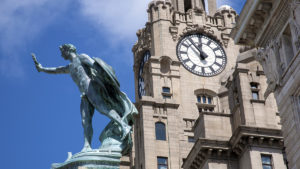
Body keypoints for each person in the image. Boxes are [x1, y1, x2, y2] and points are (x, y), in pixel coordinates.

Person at [32, 44, 137, 152]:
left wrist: (105, 82)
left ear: (68, 50)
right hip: (84, 94)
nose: (62, 55)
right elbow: (56, 70)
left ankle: (124, 126)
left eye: (62, 52)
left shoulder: (81, 57)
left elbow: (95, 66)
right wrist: (42, 69)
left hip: (91, 87)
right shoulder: (70, 67)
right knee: (85, 120)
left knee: (103, 109)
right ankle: (87, 146)